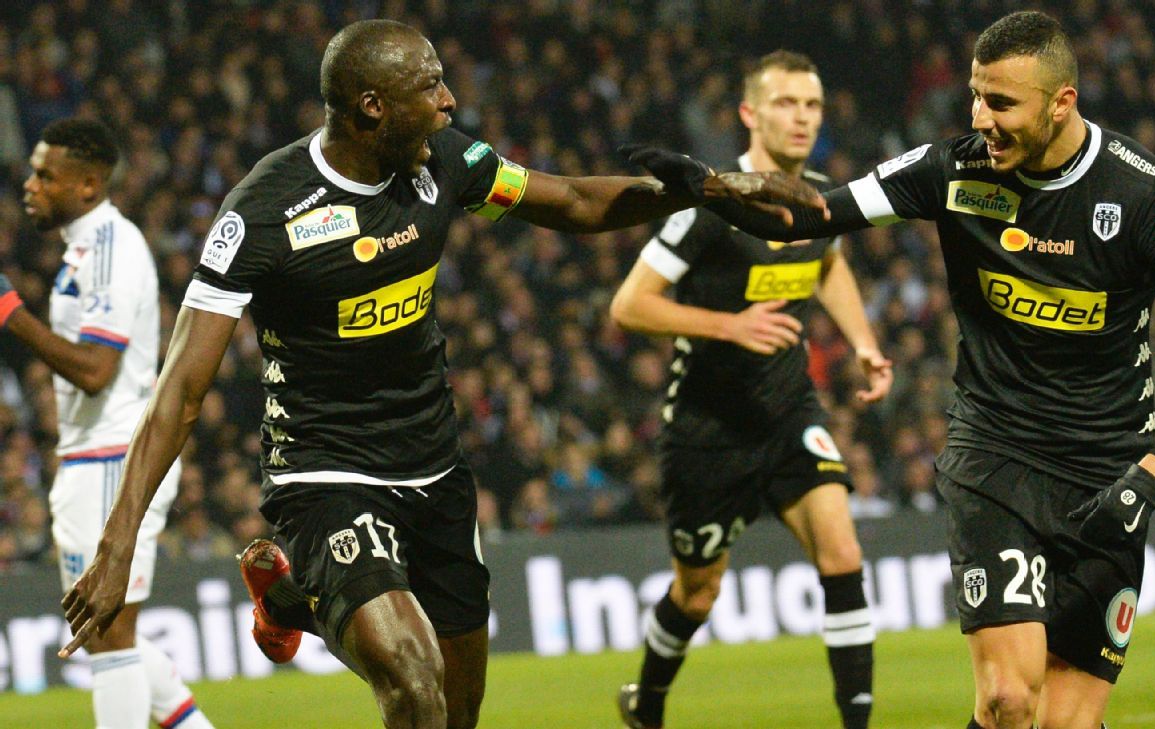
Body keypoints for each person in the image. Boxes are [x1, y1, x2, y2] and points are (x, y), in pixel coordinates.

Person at [55, 19, 823, 729]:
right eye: (429, 87)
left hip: (434, 467)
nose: (450, 101)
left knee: (457, 711)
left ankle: (290, 598)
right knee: (414, 681)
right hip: (325, 472)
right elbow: (181, 390)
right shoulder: (264, 212)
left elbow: (574, 202)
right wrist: (118, 544)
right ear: (371, 108)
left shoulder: (445, 162)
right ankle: (307, 586)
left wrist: (710, 189)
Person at [631, 11, 1155, 729]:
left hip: (1108, 476)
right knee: (1009, 700)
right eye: (976, 97)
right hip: (996, 456)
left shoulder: (1144, 194)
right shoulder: (952, 169)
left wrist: (1149, 478)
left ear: (1062, 102)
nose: (981, 119)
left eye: (1001, 103)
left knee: (1067, 723)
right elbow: (808, 218)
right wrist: (714, 187)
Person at [610, 51, 892, 729]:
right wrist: (728, 325)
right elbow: (629, 305)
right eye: (786, 103)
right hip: (707, 426)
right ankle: (647, 702)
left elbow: (830, 264)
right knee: (698, 592)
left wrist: (862, 342)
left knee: (843, 553)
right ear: (749, 113)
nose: (802, 118)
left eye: (812, 105)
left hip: (788, 408)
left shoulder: (821, 196)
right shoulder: (711, 204)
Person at [1, 117, 215, 729]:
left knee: (106, 635)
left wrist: (8, 310)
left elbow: (96, 370)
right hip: (96, 453)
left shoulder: (111, 250)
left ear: (89, 185)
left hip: (113, 455)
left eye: (46, 176)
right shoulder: (87, 250)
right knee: (109, 632)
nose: (30, 186)